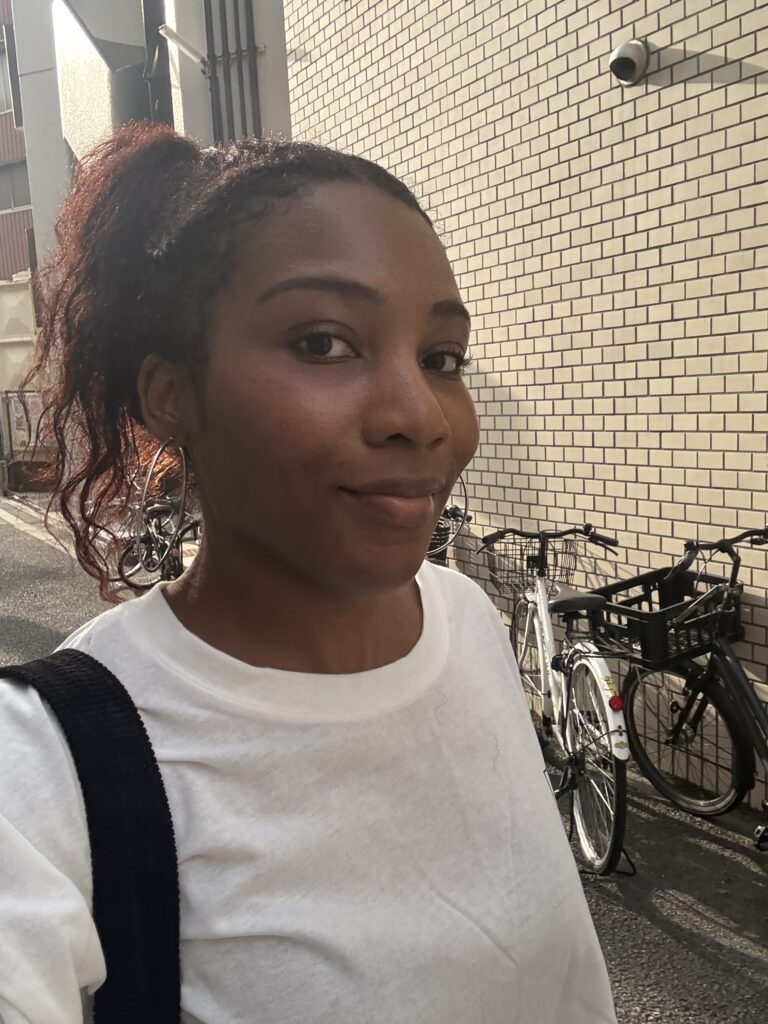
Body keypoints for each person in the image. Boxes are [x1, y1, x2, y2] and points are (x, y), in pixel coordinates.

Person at [0, 123, 617, 1024]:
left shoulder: (466, 618)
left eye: (442, 359)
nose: (421, 415)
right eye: (325, 343)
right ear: (170, 394)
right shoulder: (47, 767)